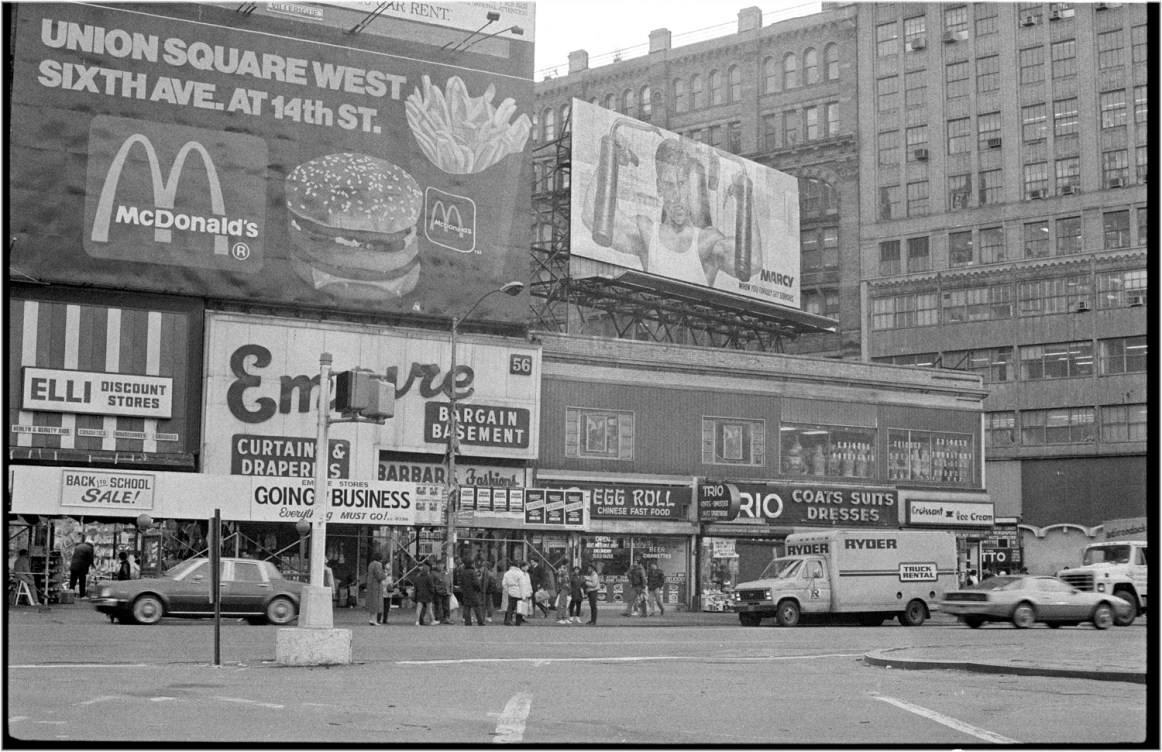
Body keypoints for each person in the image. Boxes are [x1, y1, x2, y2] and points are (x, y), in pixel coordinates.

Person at [582, 138, 745, 287]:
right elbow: (591, 217)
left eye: (681, 184)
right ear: (659, 187)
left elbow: (752, 263)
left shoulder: (709, 241)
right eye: (669, 185)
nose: (677, 195)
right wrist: (610, 159)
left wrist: (746, 198)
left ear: (690, 186)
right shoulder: (647, 233)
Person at [460, 560, 486, 627]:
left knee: (466, 607)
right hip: (473, 592)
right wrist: (478, 590)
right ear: (471, 564)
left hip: (465, 592)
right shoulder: (473, 572)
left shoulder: (463, 572)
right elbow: (476, 583)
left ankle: (467, 622)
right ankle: (480, 622)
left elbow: (461, 583)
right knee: (477, 607)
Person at [68, 535, 95, 599]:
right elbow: (90, 558)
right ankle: (82, 595)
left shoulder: (78, 546)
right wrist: (93, 565)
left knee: (73, 581)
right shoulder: (90, 548)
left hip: (74, 566)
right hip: (82, 567)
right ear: (92, 545)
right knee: (82, 581)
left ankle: (70, 595)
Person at [502, 560, 524, 626]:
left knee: (510, 607)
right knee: (520, 607)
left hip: (511, 591)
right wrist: (523, 595)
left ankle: (508, 620)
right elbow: (522, 585)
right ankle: (518, 622)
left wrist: (508, 590)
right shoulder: (520, 573)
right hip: (519, 591)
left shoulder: (507, 573)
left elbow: (504, 584)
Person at [366, 552, 386, 626]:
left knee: (371, 602)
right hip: (376, 585)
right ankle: (374, 620)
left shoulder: (370, 564)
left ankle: (371, 619)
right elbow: (379, 576)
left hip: (370, 584)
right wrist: (385, 575)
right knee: (376, 602)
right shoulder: (378, 565)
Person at [517, 561, 534, 625]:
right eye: (526, 566)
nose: (527, 568)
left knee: (525, 605)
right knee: (520, 604)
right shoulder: (519, 574)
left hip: (527, 591)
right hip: (521, 591)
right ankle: (519, 617)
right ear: (522, 567)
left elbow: (529, 583)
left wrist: (530, 590)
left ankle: (523, 616)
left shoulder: (527, 574)